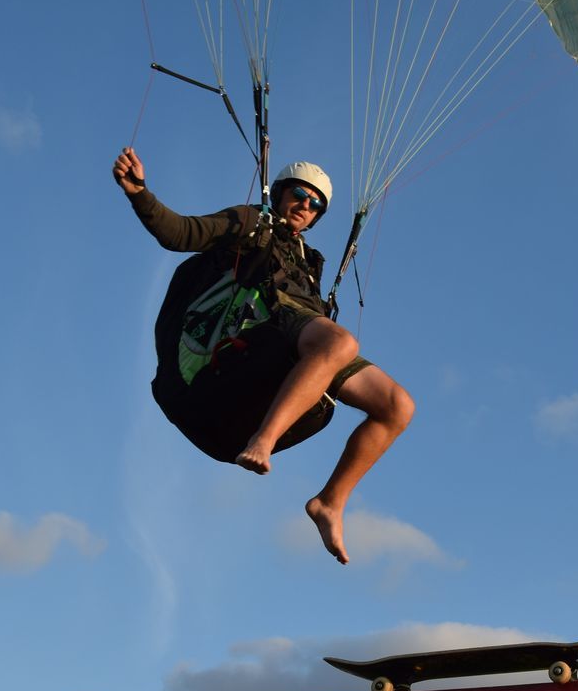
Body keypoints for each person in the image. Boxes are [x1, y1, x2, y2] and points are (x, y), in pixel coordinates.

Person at [113, 146, 414, 564]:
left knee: (397, 406)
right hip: (261, 322)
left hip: (302, 329)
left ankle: (329, 502)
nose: (305, 206)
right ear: (281, 192)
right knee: (340, 343)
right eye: (299, 195)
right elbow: (178, 232)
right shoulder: (252, 222)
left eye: (315, 205)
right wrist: (139, 194)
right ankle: (263, 439)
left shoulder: (308, 260)